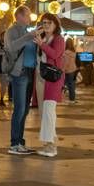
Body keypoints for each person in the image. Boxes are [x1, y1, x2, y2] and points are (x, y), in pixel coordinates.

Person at [3, 6, 37, 155]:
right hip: (19, 73)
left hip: (30, 72)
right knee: (19, 109)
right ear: (20, 16)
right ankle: (14, 143)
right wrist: (29, 36)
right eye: (28, 15)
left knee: (25, 110)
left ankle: (20, 142)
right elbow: (11, 47)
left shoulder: (27, 31)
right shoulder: (12, 31)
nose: (30, 18)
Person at [34, 13, 66, 156]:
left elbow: (55, 54)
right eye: (44, 22)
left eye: (49, 23)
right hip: (41, 78)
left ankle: (52, 146)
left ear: (55, 25)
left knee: (48, 111)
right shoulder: (42, 38)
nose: (46, 25)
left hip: (53, 79)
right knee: (43, 112)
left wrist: (42, 45)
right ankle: (48, 143)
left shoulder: (59, 39)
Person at [61, 37, 79, 102]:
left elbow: (66, 62)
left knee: (62, 84)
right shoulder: (74, 52)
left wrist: (64, 69)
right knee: (71, 85)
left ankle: (59, 98)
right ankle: (72, 99)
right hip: (73, 69)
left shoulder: (65, 53)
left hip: (67, 70)